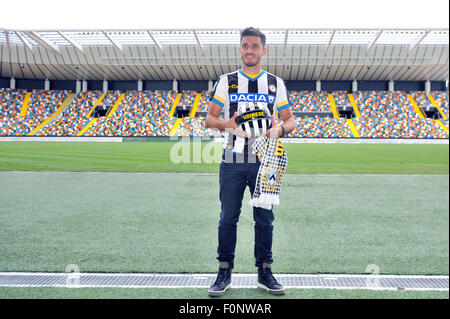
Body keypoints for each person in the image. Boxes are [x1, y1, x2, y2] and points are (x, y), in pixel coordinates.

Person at [205, 27, 297, 296]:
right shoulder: (227, 81)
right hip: (232, 160)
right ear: (240, 49)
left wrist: (280, 129)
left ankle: (265, 271)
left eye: (255, 46)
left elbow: (291, 119)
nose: (249, 50)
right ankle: (224, 271)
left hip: (265, 161)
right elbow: (209, 119)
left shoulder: (274, 83)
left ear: (263, 50)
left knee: (265, 219)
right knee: (227, 219)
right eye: (245, 45)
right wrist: (226, 124)